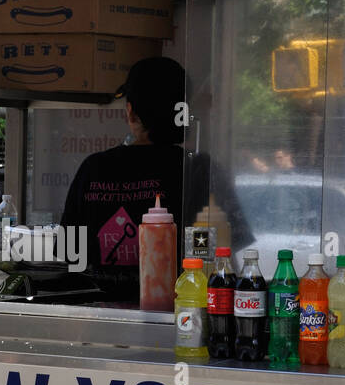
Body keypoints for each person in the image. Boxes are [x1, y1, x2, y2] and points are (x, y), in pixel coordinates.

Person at [60, 55, 250, 301]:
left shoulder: (93, 168)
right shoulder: (200, 170)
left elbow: (67, 252)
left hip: (100, 318)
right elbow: (224, 261)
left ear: (131, 112)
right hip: (181, 316)